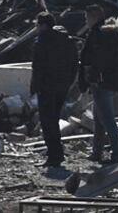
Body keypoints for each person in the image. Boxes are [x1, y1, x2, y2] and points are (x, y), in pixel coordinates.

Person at [31, 12, 77, 170]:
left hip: (46, 87)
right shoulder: (67, 40)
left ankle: (54, 155)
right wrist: (69, 82)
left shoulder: (42, 42)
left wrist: (34, 87)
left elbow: (38, 68)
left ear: (43, 25)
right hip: (62, 87)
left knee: (47, 122)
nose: (36, 28)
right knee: (54, 119)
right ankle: (55, 153)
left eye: (37, 25)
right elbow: (74, 64)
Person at [79, 4, 118, 164]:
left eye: (87, 17)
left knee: (106, 118)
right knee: (99, 119)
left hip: (101, 81)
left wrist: (93, 76)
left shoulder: (99, 35)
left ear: (94, 17)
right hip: (107, 80)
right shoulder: (108, 34)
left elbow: (97, 60)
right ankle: (97, 152)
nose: (86, 21)